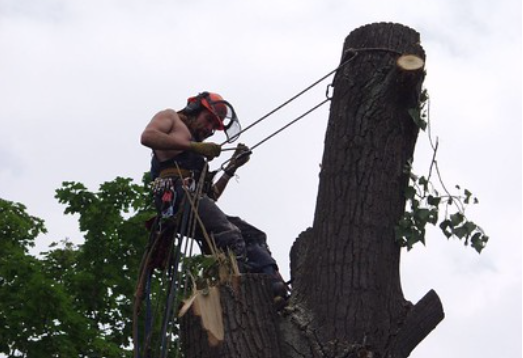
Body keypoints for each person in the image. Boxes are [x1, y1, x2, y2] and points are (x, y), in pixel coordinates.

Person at [140, 91, 289, 306]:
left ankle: (273, 286)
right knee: (230, 234)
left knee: (252, 235)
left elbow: (210, 199)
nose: (209, 129)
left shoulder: (197, 159)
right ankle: (245, 295)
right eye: (208, 120)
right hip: (174, 197)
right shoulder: (170, 117)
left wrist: (231, 168)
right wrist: (193, 147)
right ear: (194, 110)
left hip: (192, 200)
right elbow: (147, 137)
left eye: (214, 126)